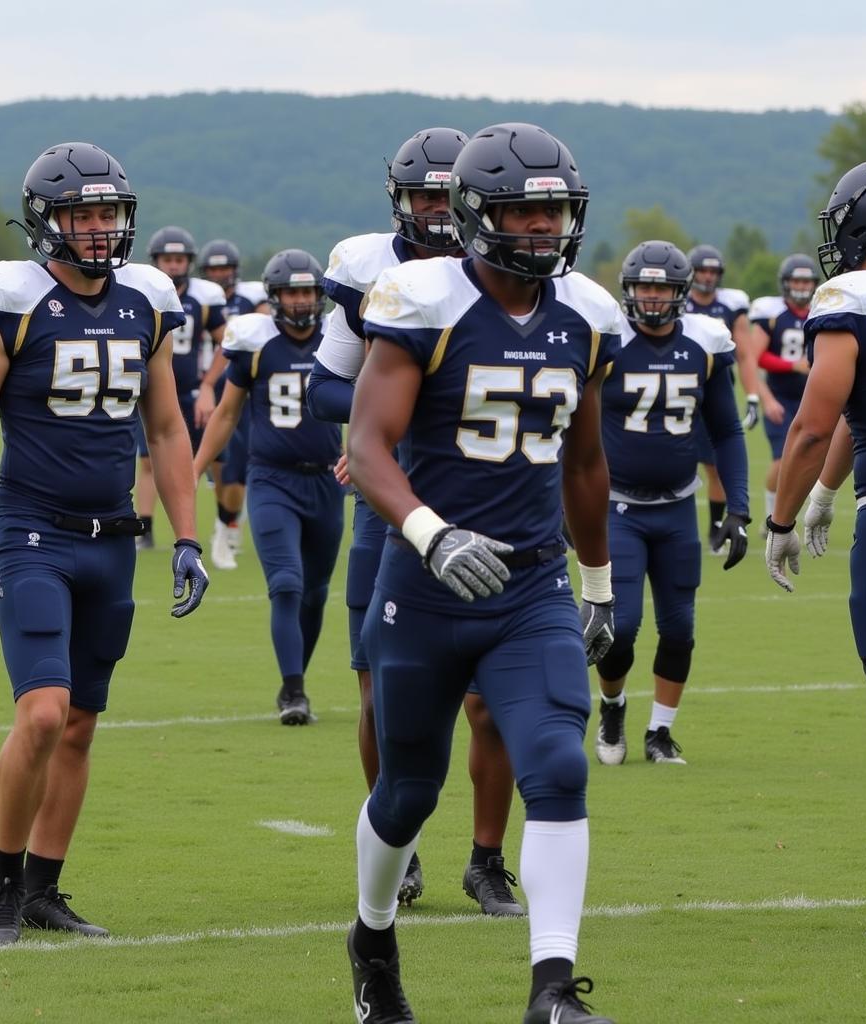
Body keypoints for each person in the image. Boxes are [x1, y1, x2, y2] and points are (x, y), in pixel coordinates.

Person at [345, 122, 620, 1024]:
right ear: (475, 214)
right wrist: (429, 533)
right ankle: (373, 934)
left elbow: (584, 466)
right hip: (425, 585)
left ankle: (551, 989)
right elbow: (368, 443)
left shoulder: (585, 315)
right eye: (525, 210)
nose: (544, 228)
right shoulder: (423, 299)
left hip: (529, 585)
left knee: (559, 765)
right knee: (408, 788)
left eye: (556, 211)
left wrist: (599, 584)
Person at [0, 142, 208, 946]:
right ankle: (1, 881)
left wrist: (189, 537)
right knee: (43, 715)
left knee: (83, 722)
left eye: (108, 214)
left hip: (114, 540)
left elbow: (165, 427)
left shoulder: (147, 301)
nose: (98, 231)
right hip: (32, 532)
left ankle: (43, 890)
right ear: (46, 222)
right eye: (81, 215)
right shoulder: (12, 301)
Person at [306, 126, 524, 916]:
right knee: (379, 696)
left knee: (493, 700)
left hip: (494, 503)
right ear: (399, 202)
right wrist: (375, 432)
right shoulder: (368, 268)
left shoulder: (518, 272)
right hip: (397, 513)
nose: (436, 209)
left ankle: (489, 858)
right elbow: (325, 387)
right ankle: (394, 848)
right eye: (423, 195)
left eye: (447, 194)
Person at [764, 160, 866, 935]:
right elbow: (851, 421)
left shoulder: (852, 298)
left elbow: (813, 419)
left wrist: (780, 519)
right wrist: (827, 493)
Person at [593, 241, 749, 768]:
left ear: (681, 293)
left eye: (662, 287)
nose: (653, 297)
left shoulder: (704, 343)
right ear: (629, 290)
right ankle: (612, 706)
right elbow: (573, 430)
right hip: (618, 507)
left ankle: (660, 731)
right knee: (623, 625)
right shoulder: (608, 342)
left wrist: (739, 506)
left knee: (679, 627)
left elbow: (726, 429)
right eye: (644, 286)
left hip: (679, 506)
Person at [193, 248, 344, 725]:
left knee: (316, 593)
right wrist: (195, 467)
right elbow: (227, 412)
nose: (301, 301)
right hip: (271, 479)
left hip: (326, 480)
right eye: (291, 292)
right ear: (274, 297)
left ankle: (295, 679)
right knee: (286, 584)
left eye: (307, 291)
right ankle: (294, 690)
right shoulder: (256, 345)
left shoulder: (340, 345)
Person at [134, 226, 227, 552]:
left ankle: (223, 525)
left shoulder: (203, 297)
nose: (173, 265)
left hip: (190, 391)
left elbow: (227, 342)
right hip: (151, 391)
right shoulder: (143, 292)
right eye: (167, 259)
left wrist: (208, 384)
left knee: (213, 460)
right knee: (147, 460)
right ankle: (144, 529)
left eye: (178, 259)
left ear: (189, 262)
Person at [685, 244, 767, 550]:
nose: (707, 276)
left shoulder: (731, 307)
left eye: (713, 271)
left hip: (713, 395)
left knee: (715, 466)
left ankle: (716, 528)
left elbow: (745, 355)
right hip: (675, 390)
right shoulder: (676, 301)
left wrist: (754, 396)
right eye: (702, 270)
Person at [196, 239, 270, 565]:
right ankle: (224, 523)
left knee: (239, 471)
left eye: (224, 267)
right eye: (213, 268)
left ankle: (227, 524)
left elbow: (270, 329)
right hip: (212, 394)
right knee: (223, 467)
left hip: (248, 392)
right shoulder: (197, 300)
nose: (219, 273)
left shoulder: (252, 297)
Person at [746, 254, 819, 530]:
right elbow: (754, 358)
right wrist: (768, 398)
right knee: (782, 458)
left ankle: (798, 513)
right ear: (786, 283)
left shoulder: (821, 311)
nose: (801, 286)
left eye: (806, 280)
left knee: (811, 459)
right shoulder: (773, 315)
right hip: (780, 396)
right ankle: (770, 516)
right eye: (796, 280)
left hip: (812, 398)